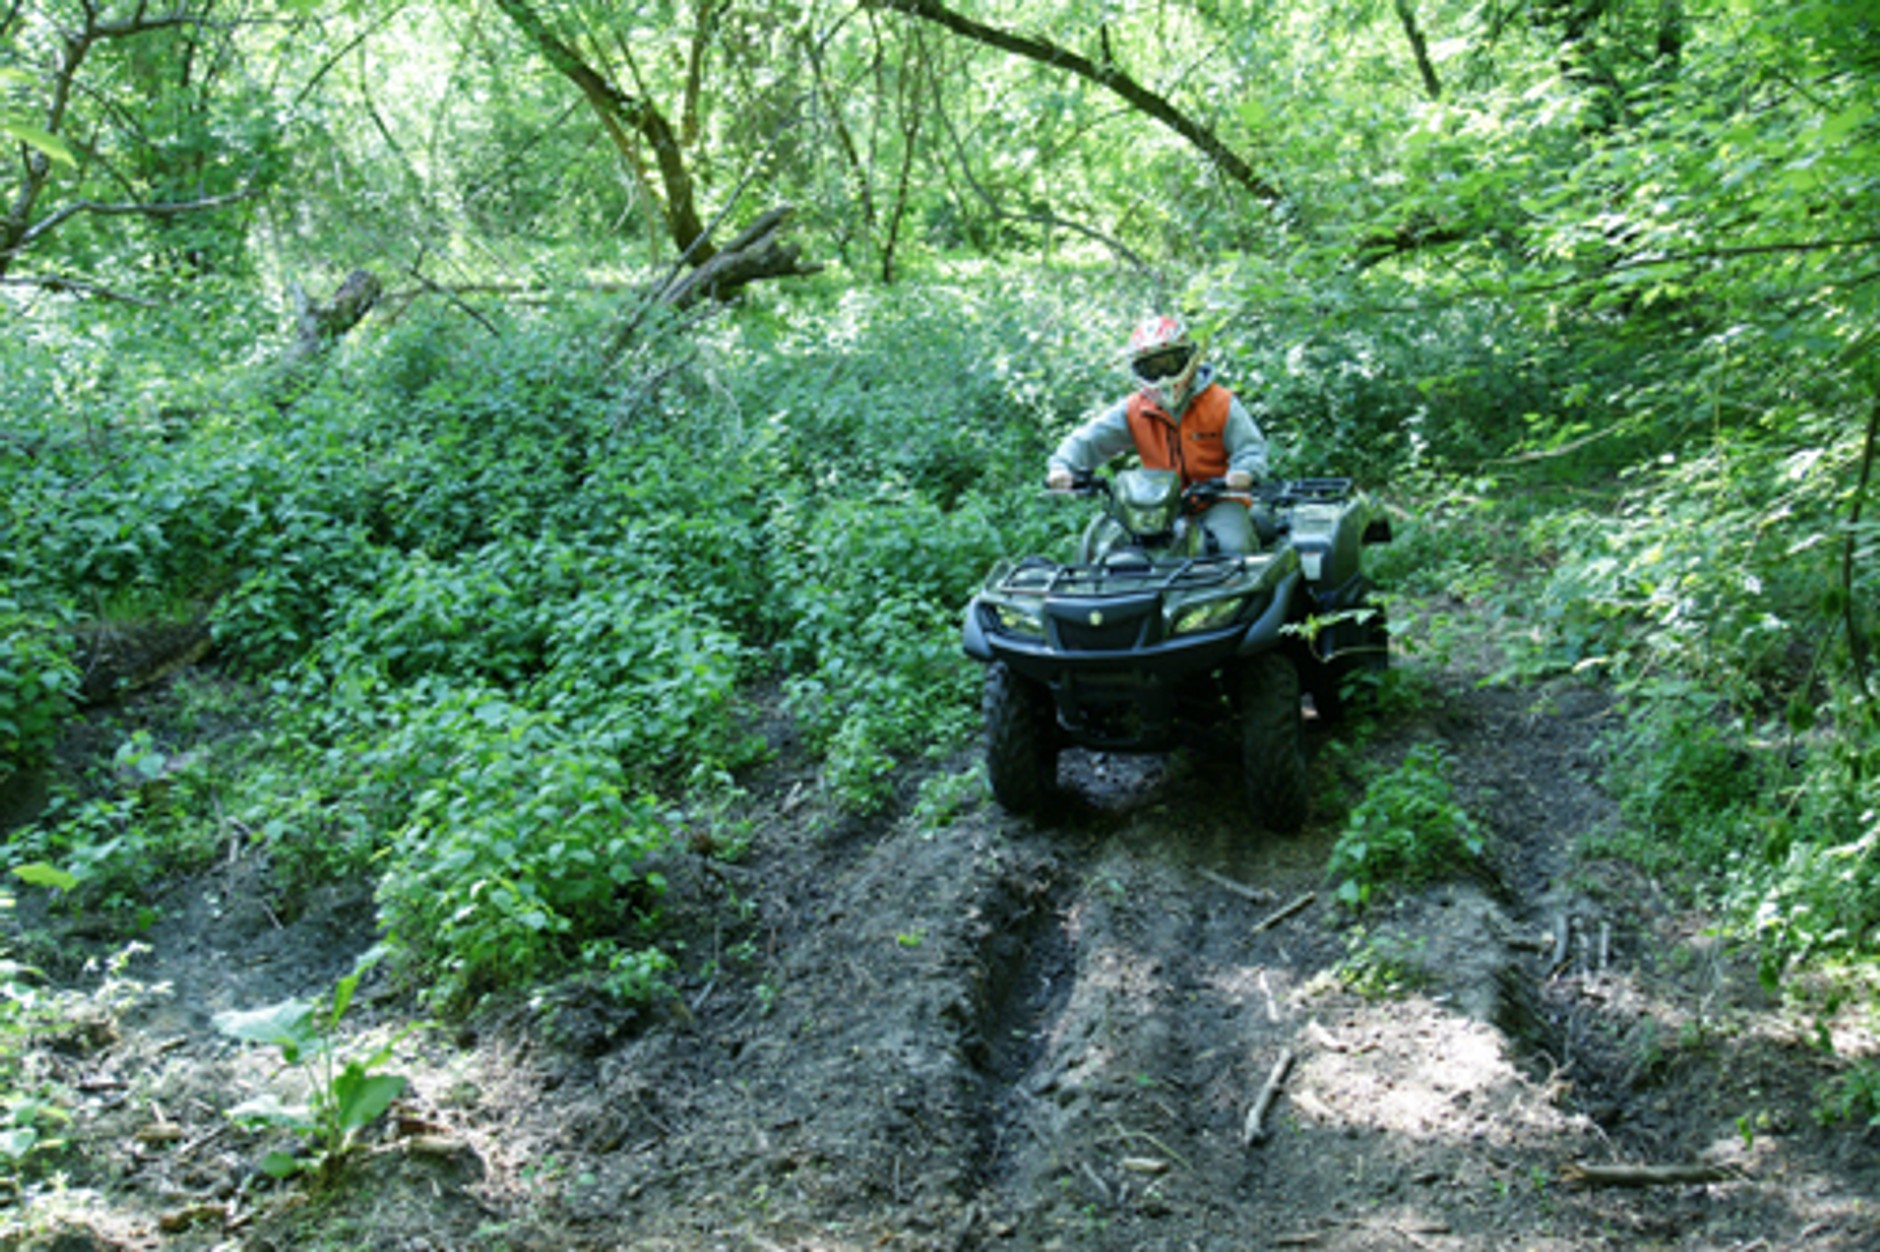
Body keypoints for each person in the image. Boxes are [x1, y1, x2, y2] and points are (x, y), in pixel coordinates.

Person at [1046, 314, 1269, 555]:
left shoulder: (1220, 403)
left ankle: (1248, 570)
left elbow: (1250, 448)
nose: (1162, 376)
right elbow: (1088, 440)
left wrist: (1244, 472)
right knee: (1108, 552)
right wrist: (1062, 467)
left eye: (1169, 363)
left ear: (1188, 357)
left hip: (1218, 500)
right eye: (1152, 368)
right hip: (1158, 508)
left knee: (1233, 546)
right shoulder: (1134, 409)